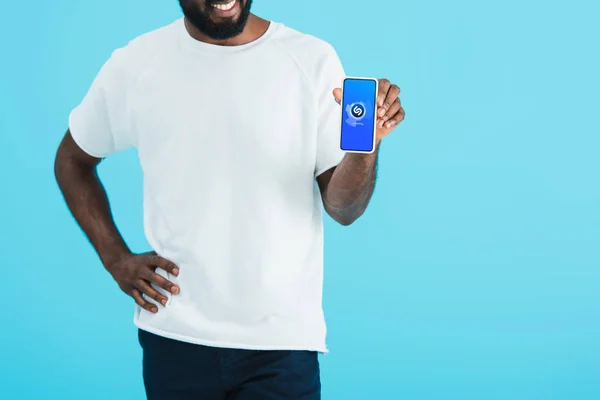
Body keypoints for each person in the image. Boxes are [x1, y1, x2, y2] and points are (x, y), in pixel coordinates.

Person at [54, 0, 405, 398]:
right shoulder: (138, 63)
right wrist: (115, 259)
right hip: (174, 336)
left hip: (281, 345)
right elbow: (72, 159)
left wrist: (364, 151)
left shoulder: (310, 60)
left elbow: (344, 209)